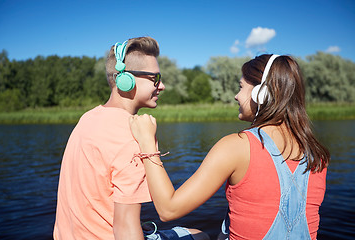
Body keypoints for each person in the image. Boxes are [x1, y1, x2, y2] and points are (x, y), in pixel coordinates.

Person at [129, 54, 330, 239]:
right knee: (200, 235)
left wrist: (147, 141)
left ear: (261, 94)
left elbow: (168, 209)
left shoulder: (237, 146)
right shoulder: (317, 155)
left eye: (241, 87)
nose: (236, 96)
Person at [53, 36, 209, 240]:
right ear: (126, 80)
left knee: (194, 233)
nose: (161, 86)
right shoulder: (131, 135)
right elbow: (125, 230)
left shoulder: (88, 118)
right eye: (155, 78)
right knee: (202, 236)